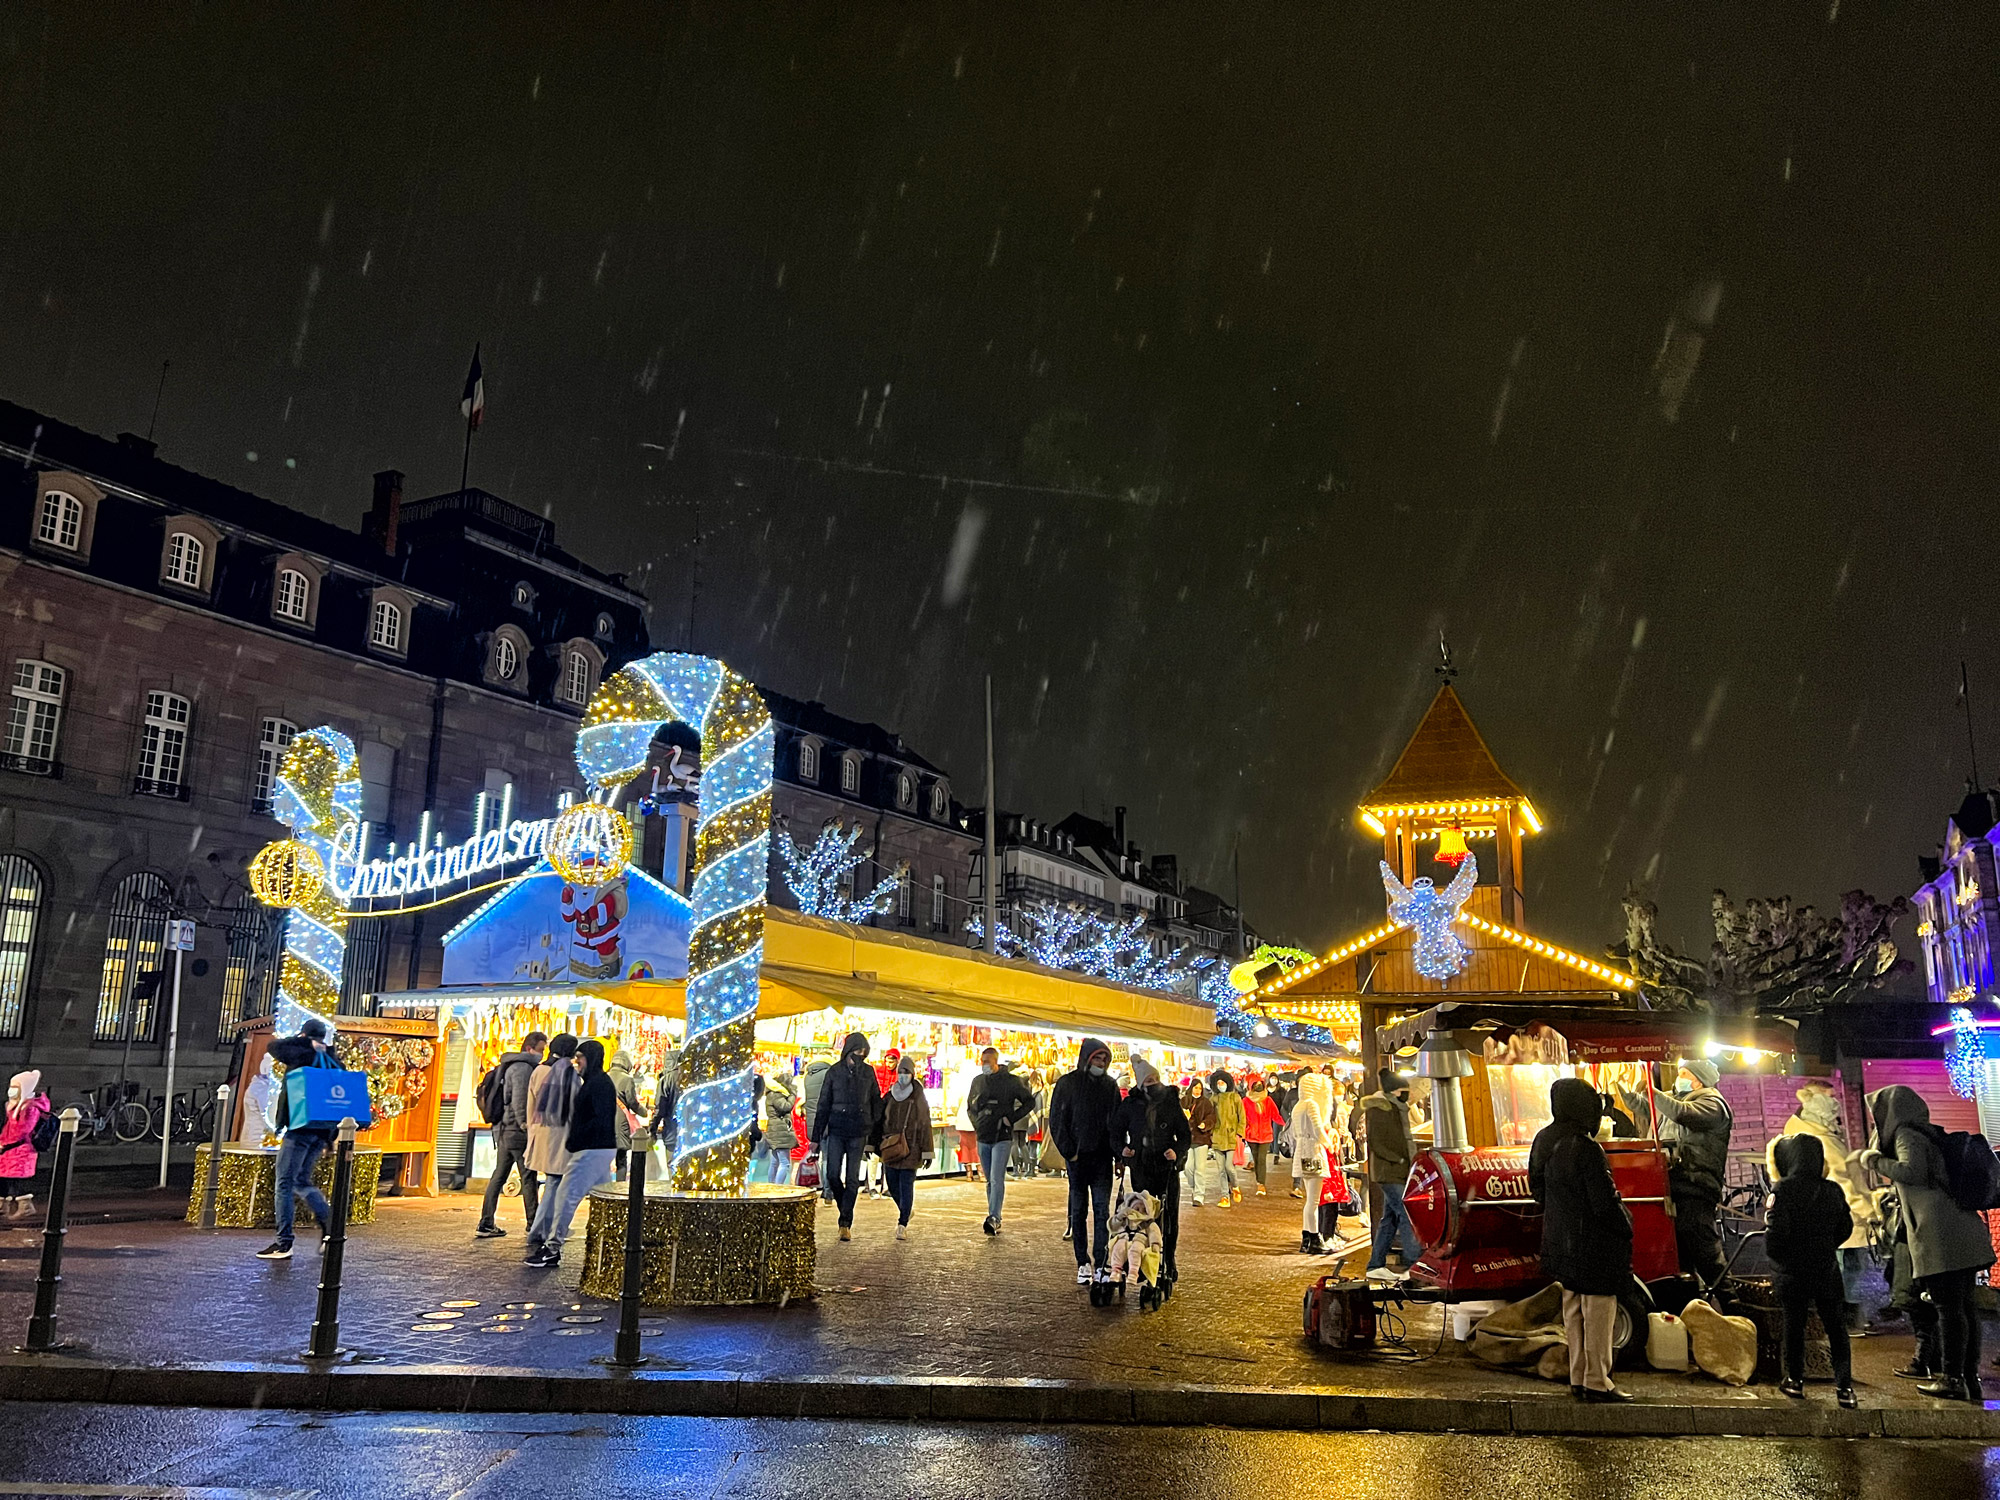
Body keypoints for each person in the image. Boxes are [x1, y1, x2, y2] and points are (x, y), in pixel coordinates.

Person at [1862, 1085, 1994, 1400]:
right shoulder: (1927, 1134)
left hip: (1941, 1238)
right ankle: (1967, 1377)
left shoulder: (1907, 1134)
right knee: (1963, 1308)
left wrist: (1875, 1161)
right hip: (1959, 1231)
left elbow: (1913, 1171)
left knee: (1949, 1309)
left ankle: (1952, 1379)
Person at [1528, 1077, 1635, 1404]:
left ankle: (1578, 1377)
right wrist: (1626, 1224)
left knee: (1572, 1311)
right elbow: (1604, 1204)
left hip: (1559, 1241)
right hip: (1592, 1246)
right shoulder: (1587, 1149)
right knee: (1599, 1314)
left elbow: (1537, 1192)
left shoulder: (1543, 1140)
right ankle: (1598, 1381)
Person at [1766, 1083, 1874, 1331]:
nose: (1835, 1103)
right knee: (1844, 1268)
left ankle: (1842, 1318)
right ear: (1812, 1100)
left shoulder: (1818, 1132)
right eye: (1829, 1098)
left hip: (1836, 1214)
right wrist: (1869, 1210)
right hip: (1840, 1212)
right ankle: (1847, 1319)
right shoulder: (1817, 1138)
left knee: (1842, 1267)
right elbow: (1841, 1181)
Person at [1620, 1058, 1732, 1287]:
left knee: (1704, 1249)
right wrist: (1624, 1090)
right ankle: (1693, 1301)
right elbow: (1646, 1107)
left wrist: (1653, 1092)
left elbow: (1682, 1113)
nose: (1678, 1079)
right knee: (1681, 1251)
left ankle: (1733, 1302)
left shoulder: (1712, 1103)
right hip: (1673, 1184)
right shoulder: (1676, 1099)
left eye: (1684, 1074)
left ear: (1699, 1081)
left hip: (1696, 1186)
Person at [1766, 1132, 1857, 1407]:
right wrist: (1826, 1246)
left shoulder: (1782, 1190)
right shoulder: (1832, 1190)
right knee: (1836, 1328)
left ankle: (1794, 1380)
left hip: (1793, 1272)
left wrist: (1780, 1260)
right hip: (1826, 1269)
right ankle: (1845, 1388)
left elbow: (1775, 1234)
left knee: (1794, 1326)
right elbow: (1846, 1228)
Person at [524, 1039, 618, 1268]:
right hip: (597, 1148)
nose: (578, 1063)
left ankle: (552, 1248)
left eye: (581, 1058)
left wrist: (577, 1138)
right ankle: (609, 1250)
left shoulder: (596, 1084)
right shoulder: (597, 1082)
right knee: (603, 1200)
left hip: (589, 1150)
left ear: (590, 1058)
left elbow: (598, 1119)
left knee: (566, 1197)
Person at [256, 1019, 338, 1260]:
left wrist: (304, 1041)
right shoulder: (331, 1059)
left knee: (284, 1182)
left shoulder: (301, 1053)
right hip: (321, 1131)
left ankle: (284, 1243)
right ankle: (331, 1229)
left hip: (300, 1127)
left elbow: (274, 1047)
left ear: (304, 1035)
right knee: (301, 1180)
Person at [1049, 1036, 1123, 1287]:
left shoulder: (1110, 1087)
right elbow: (1058, 1121)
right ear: (1087, 1058)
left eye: (1104, 1059)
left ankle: (1101, 1262)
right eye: (1097, 1058)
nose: (1101, 1063)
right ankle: (1082, 1262)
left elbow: (1116, 1124)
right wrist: (1070, 1152)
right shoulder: (1068, 1084)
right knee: (1078, 1212)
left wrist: (1119, 1154)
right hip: (1078, 1160)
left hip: (1102, 1159)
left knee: (1102, 1212)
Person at [1115, 1059, 1190, 1288]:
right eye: (1149, 1080)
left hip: (1166, 1169)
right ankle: (1145, 1257)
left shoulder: (1170, 1102)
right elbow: (1116, 1131)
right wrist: (1123, 1150)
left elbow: (1185, 1135)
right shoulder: (1130, 1105)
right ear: (1140, 1083)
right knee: (1143, 1215)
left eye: (1156, 1079)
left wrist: (1176, 1152)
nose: (1154, 1084)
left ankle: (1168, 1258)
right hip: (1141, 1168)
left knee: (1168, 1216)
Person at [811, 1031, 881, 1241]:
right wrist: (815, 1138)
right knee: (832, 1175)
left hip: (858, 1132)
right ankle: (845, 1209)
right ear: (849, 1050)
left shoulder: (868, 1073)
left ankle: (845, 1223)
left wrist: (872, 1126)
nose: (861, 1055)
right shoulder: (834, 1072)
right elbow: (823, 1104)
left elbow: (875, 1100)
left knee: (852, 1178)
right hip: (837, 1130)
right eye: (858, 1051)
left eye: (863, 1052)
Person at [475, 1031, 546, 1238]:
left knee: (499, 1175)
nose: (542, 1055)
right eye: (540, 1050)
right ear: (529, 1049)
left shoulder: (508, 1065)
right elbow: (519, 1100)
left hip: (504, 1129)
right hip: (516, 1130)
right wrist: (525, 1124)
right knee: (528, 1176)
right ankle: (533, 1224)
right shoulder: (522, 1068)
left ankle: (486, 1222)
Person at [1356, 1070, 1421, 1280]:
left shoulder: (1395, 1107)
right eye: (1404, 1091)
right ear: (1395, 1091)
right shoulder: (1381, 1109)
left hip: (1396, 1171)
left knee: (1390, 1218)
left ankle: (1376, 1264)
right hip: (1389, 1171)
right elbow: (1377, 1141)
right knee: (1406, 1213)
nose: (1407, 1095)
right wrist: (1399, 1159)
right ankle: (1415, 1264)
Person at [967, 1049, 1035, 1234]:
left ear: (996, 1061)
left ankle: (994, 1216)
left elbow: (1029, 1102)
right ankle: (993, 1214)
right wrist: (977, 1124)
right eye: (982, 1061)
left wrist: (1010, 1118)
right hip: (983, 1136)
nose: (984, 1065)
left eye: (987, 1061)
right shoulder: (978, 1081)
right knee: (990, 1180)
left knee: (997, 1179)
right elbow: (970, 1106)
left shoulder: (1012, 1081)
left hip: (1002, 1136)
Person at [875, 1054, 935, 1238]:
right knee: (892, 1186)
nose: (902, 1076)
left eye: (906, 1072)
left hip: (912, 1148)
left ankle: (902, 1223)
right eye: (900, 1072)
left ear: (912, 1074)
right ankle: (906, 1210)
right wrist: (873, 1144)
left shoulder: (918, 1096)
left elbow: (925, 1123)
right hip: (891, 1148)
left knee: (906, 1185)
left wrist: (927, 1151)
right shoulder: (889, 1096)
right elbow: (879, 1121)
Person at [524, 1033, 581, 1212]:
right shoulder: (570, 1074)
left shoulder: (539, 1071)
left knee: (552, 1181)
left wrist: (531, 1130)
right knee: (555, 1182)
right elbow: (575, 1107)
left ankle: (547, 1225)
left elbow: (530, 1106)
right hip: (561, 1135)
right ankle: (544, 1226)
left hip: (540, 1132)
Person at [1291, 1072, 1335, 1254]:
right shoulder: (1312, 1105)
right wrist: (1329, 1144)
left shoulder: (1298, 1106)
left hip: (1301, 1152)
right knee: (1314, 1201)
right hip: (1314, 1152)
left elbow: (1294, 1133)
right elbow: (1318, 1129)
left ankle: (1306, 1238)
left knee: (1310, 1200)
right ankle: (1316, 1238)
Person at [0, 1070, 51, 1219]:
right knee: (4, 1176)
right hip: (11, 1149)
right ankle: (3, 1204)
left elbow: (21, 1130)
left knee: (17, 1178)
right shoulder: (16, 1106)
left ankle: (26, 1206)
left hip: (21, 1149)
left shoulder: (30, 1108)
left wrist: (5, 1144)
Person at [800, 1050, 835, 1203]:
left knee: (814, 1155)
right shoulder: (829, 1074)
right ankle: (827, 1191)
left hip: (812, 1122)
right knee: (827, 1158)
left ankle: (812, 1185)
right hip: (826, 1121)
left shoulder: (808, 1076)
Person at [1209, 1070, 1246, 1207]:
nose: (1220, 1085)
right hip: (1218, 1137)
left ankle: (1235, 1186)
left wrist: (1239, 1134)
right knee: (1221, 1170)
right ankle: (1225, 1196)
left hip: (1231, 1137)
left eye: (1222, 1082)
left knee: (1229, 1167)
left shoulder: (1236, 1098)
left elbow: (1242, 1118)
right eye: (1218, 1083)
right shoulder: (1214, 1099)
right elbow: (1210, 1117)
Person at [755, 1073, 799, 1184]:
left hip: (774, 1130)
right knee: (785, 1163)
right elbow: (786, 1106)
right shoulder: (777, 1095)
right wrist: (793, 1093)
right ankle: (778, 1186)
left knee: (775, 1162)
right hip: (780, 1131)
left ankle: (772, 1185)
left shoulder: (772, 1094)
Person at [1243, 1076, 1282, 1196]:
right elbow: (1243, 1118)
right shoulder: (1245, 1101)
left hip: (1265, 1134)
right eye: (1256, 1084)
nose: (1258, 1086)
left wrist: (1286, 1125)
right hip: (1251, 1135)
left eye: (1260, 1084)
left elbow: (1275, 1115)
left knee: (1261, 1159)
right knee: (1256, 1159)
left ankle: (1261, 1184)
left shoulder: (1268, 1100)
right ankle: (1259, 1181)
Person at [1182, 1078, 1215, 1208]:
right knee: (1188, 1168)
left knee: (1200, 1169)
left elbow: (1212, 1117)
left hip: (1202, 1139)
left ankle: (1199, 1196)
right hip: (1187, 1139)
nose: (1198, 1090)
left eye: (1200, 1088)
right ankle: (1195, 1187)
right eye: (1196, 1088)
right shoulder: (1184, 1101)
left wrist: (1205, 1124)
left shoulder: (1206, 1103)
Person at [609, 1047, 641, 1181]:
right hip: (620, 1122)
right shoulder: (627, 1079)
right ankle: (619, 1188)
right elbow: (632, 1101)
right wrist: (644, 1112)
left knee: (604, 1157)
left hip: (606, 1120)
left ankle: (602, 1189)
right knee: (621, 1158)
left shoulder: (605, 1076)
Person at [649, 1056, 681, 1177]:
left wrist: (652, 1129)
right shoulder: (691, 1078)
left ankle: (674, 1194)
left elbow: (659, 1109)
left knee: (672, 1168)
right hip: (691, 1134)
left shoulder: (666, 1080)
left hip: (672, 1132)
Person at [1012, 1068, 1042, 1179]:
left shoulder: (1015, 1089)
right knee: (1023, 1143)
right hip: (1024, 1117)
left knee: (1014, 1142)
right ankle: (1028, 1167)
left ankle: (1016, 1168)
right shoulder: (1028, 1089)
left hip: (1015, 1115)